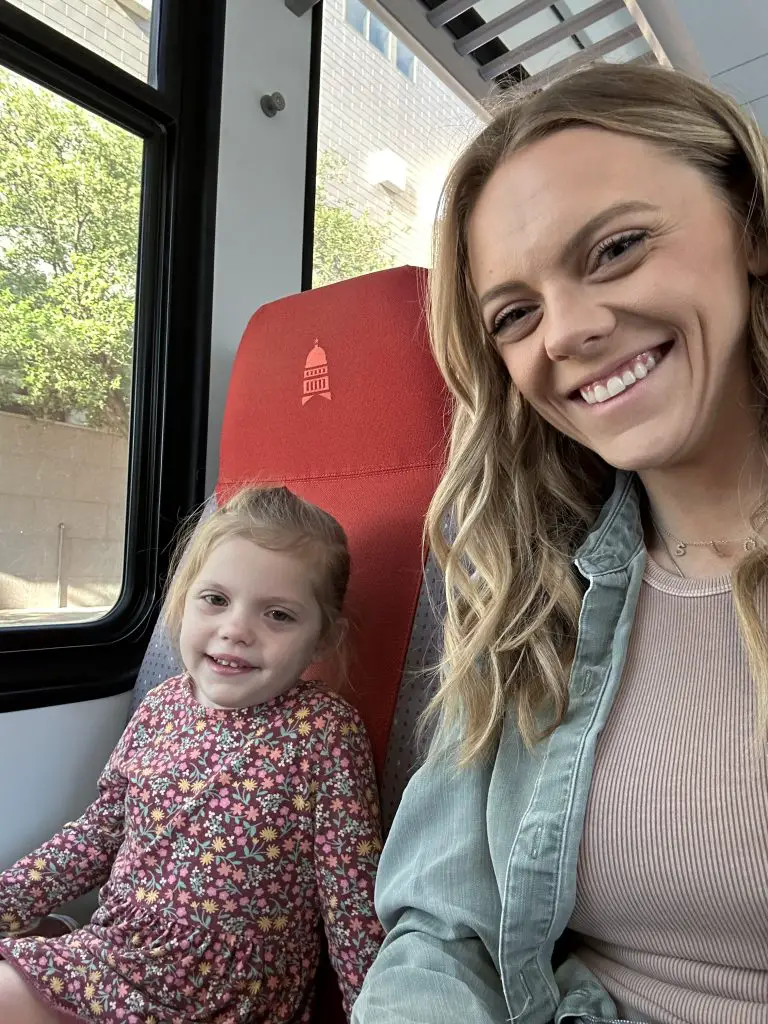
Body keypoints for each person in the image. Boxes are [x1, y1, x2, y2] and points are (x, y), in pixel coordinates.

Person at [352, 62, 768, 1024]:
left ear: (748, 226)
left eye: (617, 249)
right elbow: (443, 933)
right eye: (516, 314)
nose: (571, 331)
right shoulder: (524, 591)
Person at [0, 486, 384, 1024]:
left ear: (321, 640)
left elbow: (351, 899)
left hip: (221, 997)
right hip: (119, 953)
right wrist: (9, 900)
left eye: (277, 615)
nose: (236, 630)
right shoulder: (161, 707)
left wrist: (373, 1011)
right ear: (184, 601)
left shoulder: (325, 733)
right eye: (216, 600)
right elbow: (99, 835)